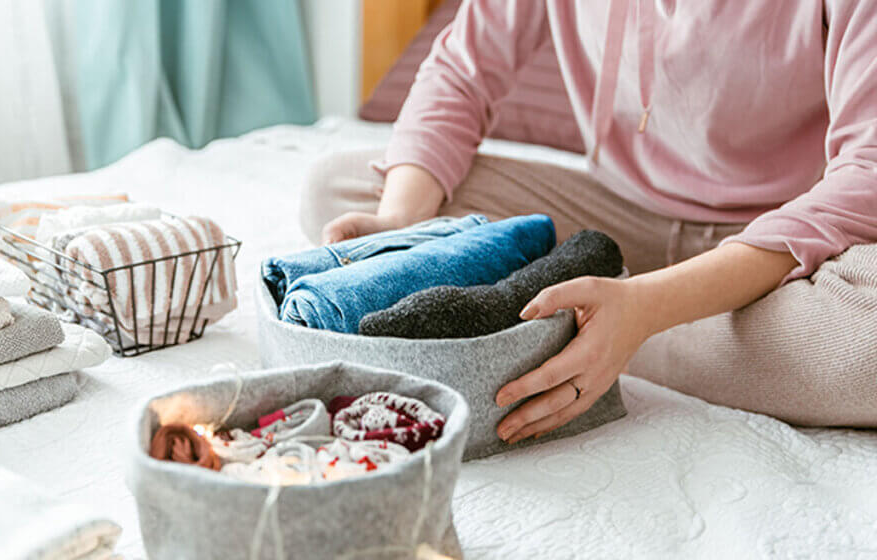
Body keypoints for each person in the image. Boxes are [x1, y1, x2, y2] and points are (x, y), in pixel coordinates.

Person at [299, 0, 877, 442]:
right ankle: (607, 320)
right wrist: (401, 219)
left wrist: (649, 308)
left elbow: (865, 173)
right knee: (342, 189)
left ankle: (616, 329)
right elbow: (463, 70)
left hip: (786, 243)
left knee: (866, 340)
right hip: (613, 214)